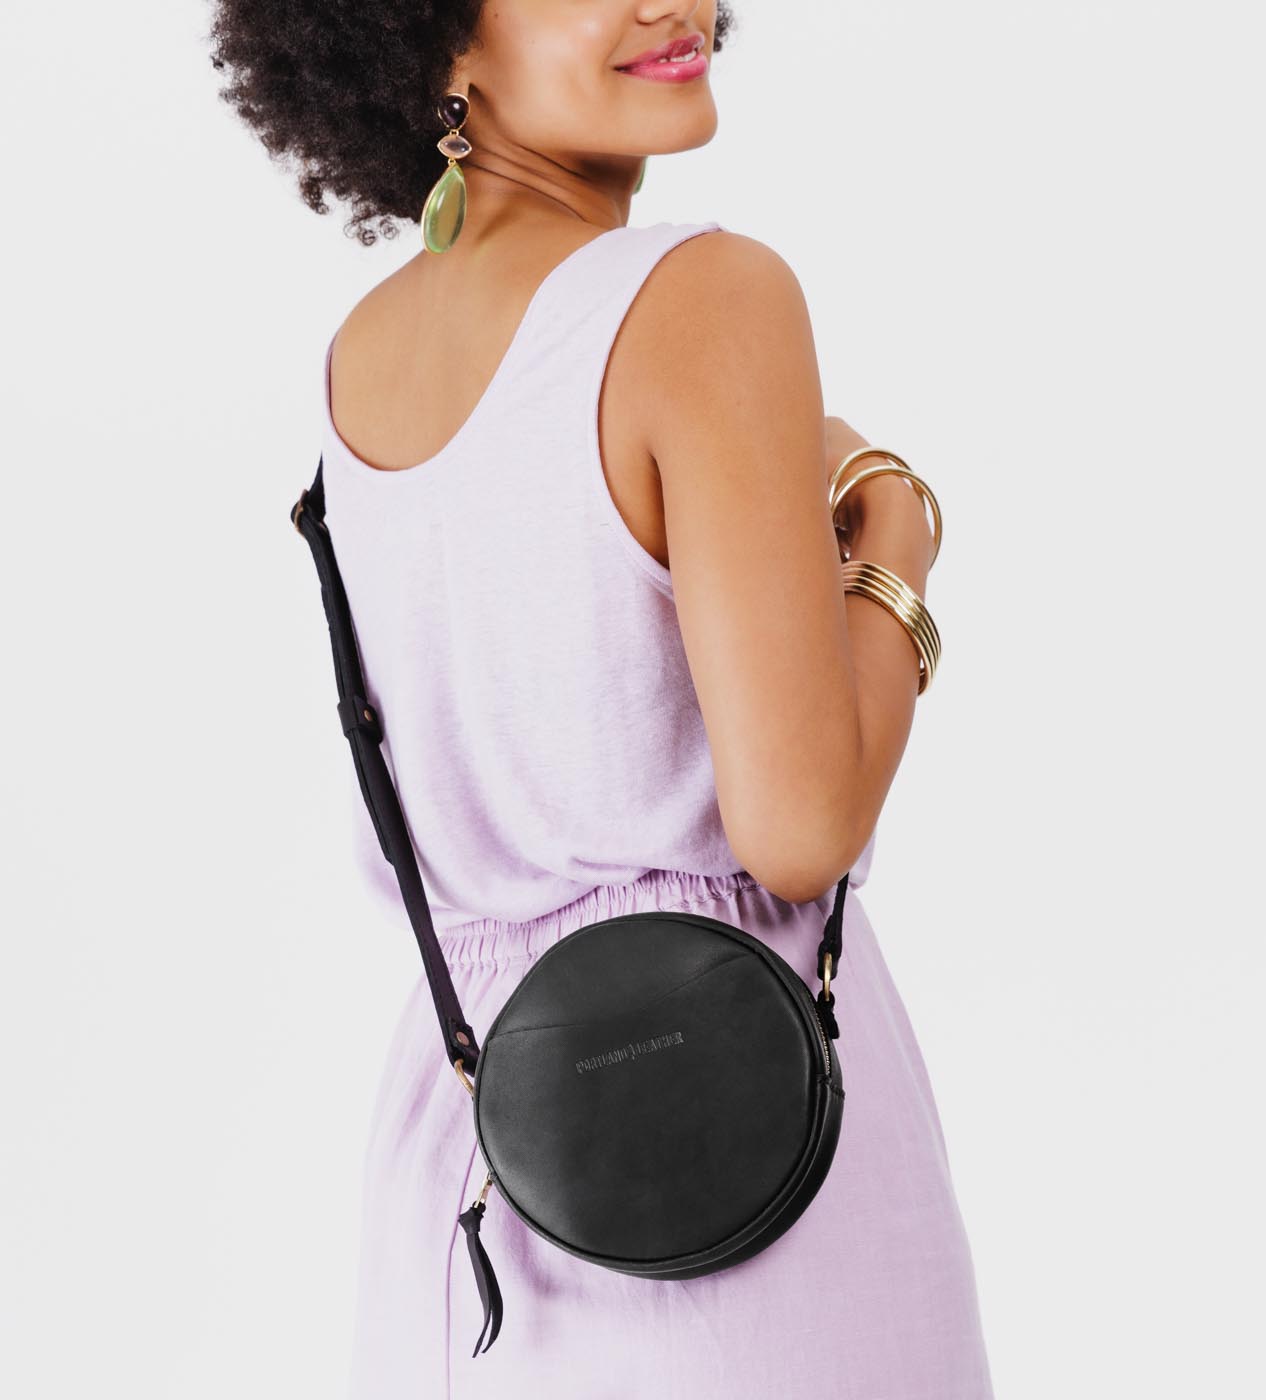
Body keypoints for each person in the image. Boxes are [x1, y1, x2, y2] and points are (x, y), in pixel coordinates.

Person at [211, 2, 995, 1395]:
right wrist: (894, 538)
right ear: (436, 40)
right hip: (725, 1139)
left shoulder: (362, 360)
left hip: (473, 1173)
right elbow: (799, 828)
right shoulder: (704, 296)